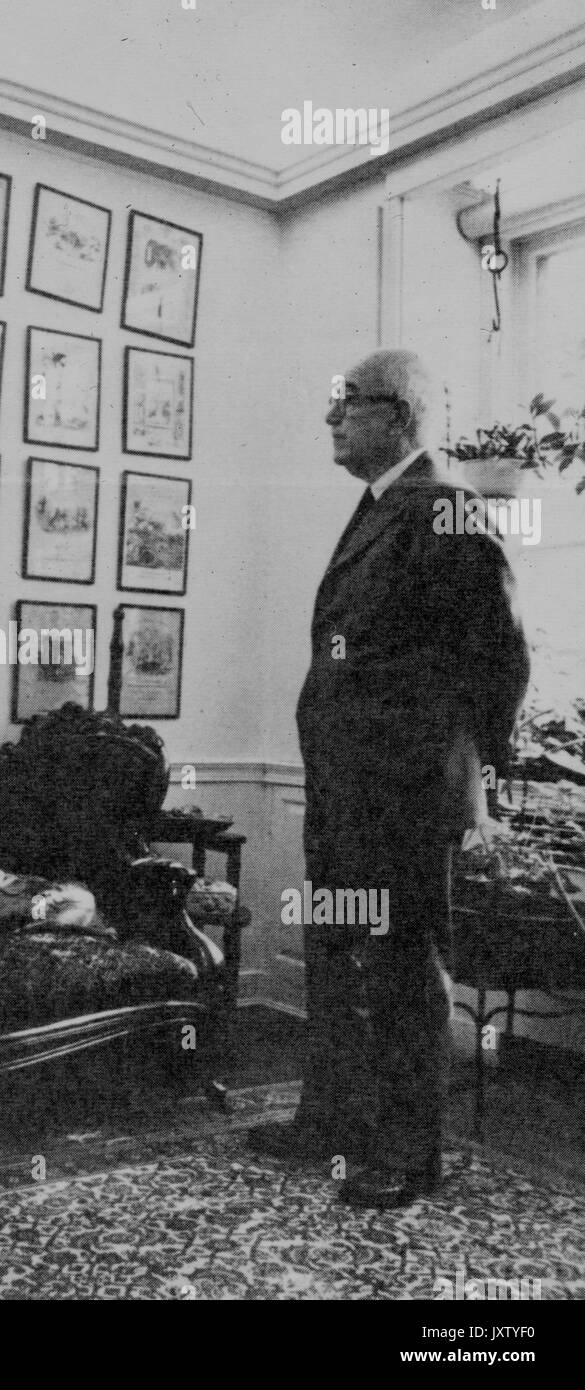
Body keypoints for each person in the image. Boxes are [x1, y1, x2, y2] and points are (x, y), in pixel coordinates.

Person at [249, 349, 530, 1208]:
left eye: (346, 406)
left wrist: (466, 771)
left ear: (398, 414)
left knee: (404, 973)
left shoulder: (445, 508)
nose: (330, 420)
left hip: (401, 797)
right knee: (338, 960)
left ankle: (410, 1155)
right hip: (344, 793)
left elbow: (499, 656)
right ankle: (330, 1121)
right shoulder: (382, 508)